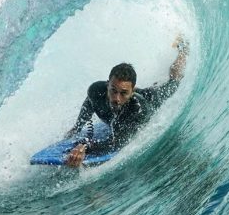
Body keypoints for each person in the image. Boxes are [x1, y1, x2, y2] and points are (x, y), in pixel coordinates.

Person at [65, 35, 189, 168]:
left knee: (172, 84)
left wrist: (85, 148)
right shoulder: (96, 90)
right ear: (108, 85)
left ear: (132, 90)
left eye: (123, 93)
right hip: (135, 95)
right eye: (113, 90)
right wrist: (77, 127)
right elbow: (89, 104)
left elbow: (115, 144)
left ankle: (183, 49)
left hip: (151, 99)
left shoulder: (137, 110)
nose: (117, 98)